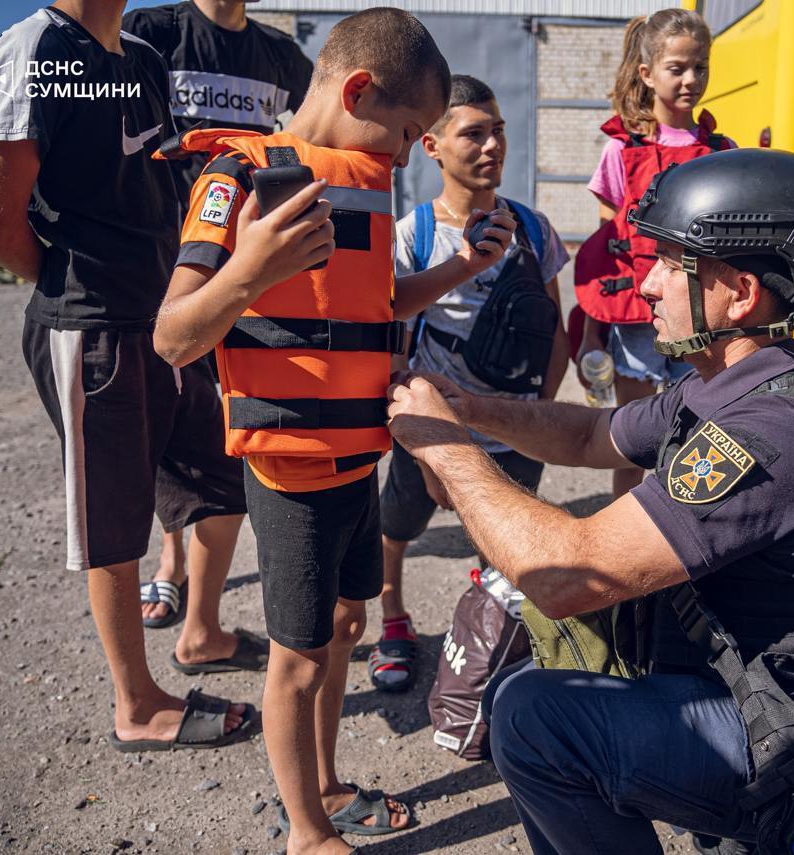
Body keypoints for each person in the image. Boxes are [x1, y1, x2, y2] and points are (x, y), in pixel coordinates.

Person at [386, 148, 794, 854]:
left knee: (532, 712)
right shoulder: (722, 389)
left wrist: (440, 446)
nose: (645, 286)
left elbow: (565, 574)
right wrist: (471, 410)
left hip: (791, 743)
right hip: (741, 699)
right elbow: (592, 432)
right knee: (544, 691)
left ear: (739, 294)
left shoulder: (771, 435)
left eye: (668, 263)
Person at [151, 9, 518, 852]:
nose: (405, 153)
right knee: (301, 659)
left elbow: (374, 305)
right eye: (406, 132)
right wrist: (248, 270)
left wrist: (462, 267)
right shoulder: (236, 175)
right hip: (291, 472)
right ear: (357, 92)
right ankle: (307, 834)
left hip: (358, 460)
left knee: (345, 629)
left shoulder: (362, 174)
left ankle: (322, 783)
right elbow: (174, 335)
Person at [0, 0, 257, 751]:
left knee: (220, 473)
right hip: (93, 327)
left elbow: (157, 184)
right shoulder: (35, 47)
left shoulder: (142, 57)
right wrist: (80, 290)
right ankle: (137, 704)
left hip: (166, 321)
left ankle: (202, 632)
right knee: (114, 518)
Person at [367, 74, 570, 693]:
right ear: (431, 145)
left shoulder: (534, 229)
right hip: (436, 431)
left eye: (499, 131)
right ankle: (392, 617)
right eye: (474, 133)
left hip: (515, 429)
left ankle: (485, 631)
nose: (492, 146)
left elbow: (554, 331)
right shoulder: (415, 236)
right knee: (396, 528)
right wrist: (429, 452)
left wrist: (539, 419)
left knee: (504, 545)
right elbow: (393, 349)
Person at [123, 0, 313, 629]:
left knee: (218, 418)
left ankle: (218, 564)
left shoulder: (280, 54)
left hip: (251, 264)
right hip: (167, 260)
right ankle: (170, 562)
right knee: (168, 415)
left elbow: (320, 128)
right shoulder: (153, 33)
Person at [574, 8, 736, 499]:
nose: (691, 79)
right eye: (678, 68)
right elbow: (607, 249)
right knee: (634, 438)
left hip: (702, 316)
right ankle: (627, 528)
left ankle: (688, 523)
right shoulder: (620, 151)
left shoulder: (723, 151)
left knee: (700, 431)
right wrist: (590, 335)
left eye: (700, 67)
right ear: (647, 74)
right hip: (636, 321)